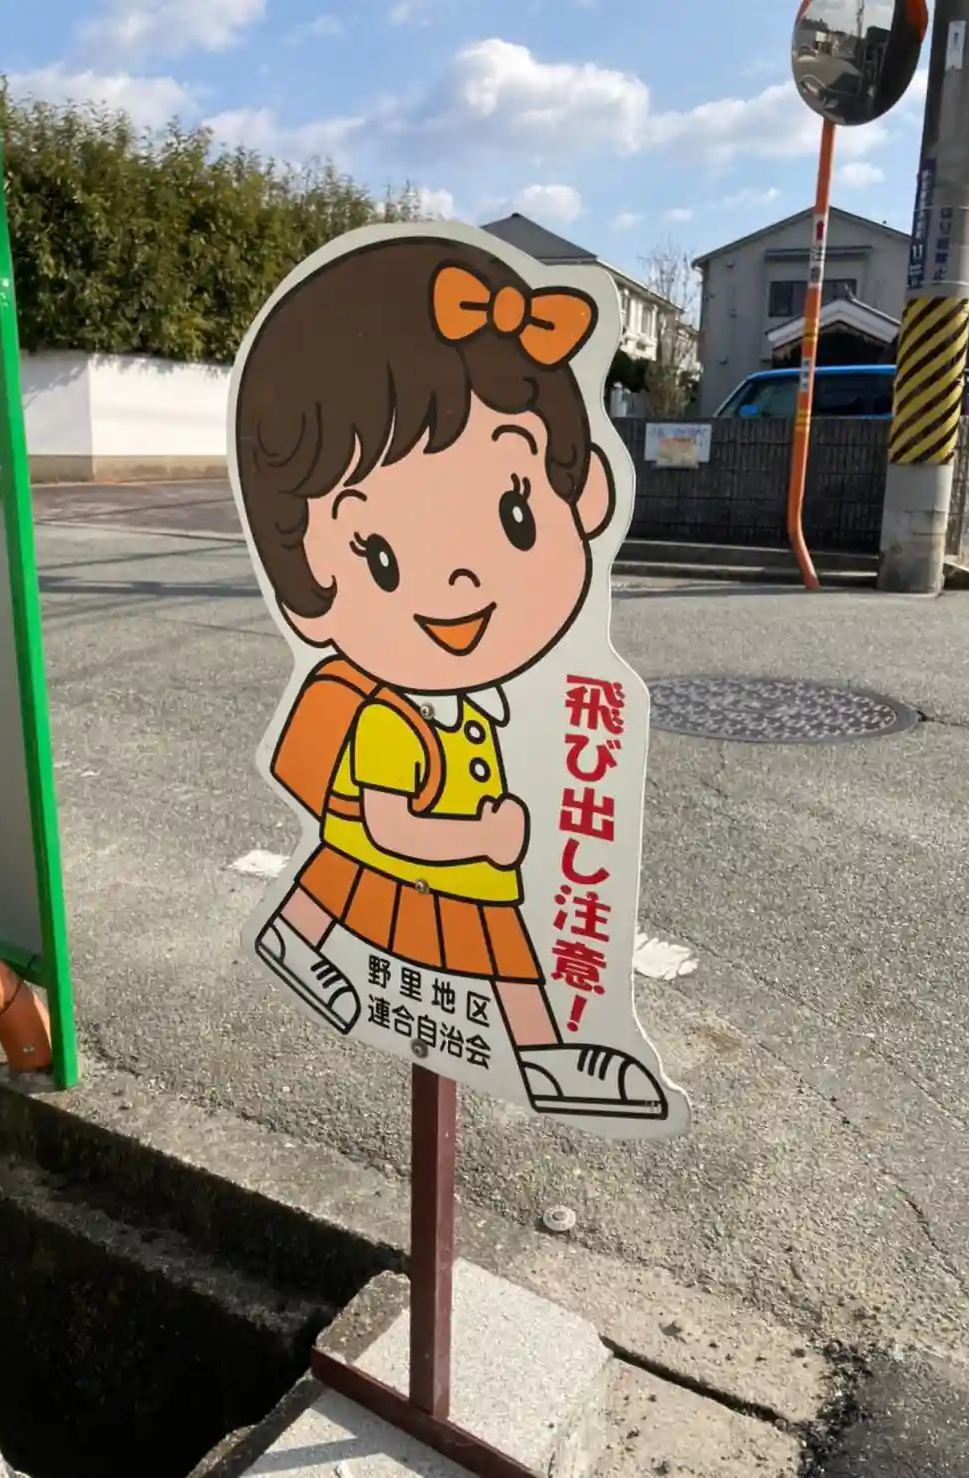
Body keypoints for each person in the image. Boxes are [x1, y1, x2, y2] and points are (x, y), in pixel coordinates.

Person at [232, 232, 666, 1122]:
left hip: (463, 860)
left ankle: (548, 1057)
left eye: (514, 514)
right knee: (357, 885)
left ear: (581, 494)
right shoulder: (386, 718)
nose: (459, 583)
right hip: (426, 851)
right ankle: (535, 1053)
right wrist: (480, 835)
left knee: (496, 943)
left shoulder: (472, 701)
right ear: (306, 587)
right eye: (379, 557)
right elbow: (387, 825)